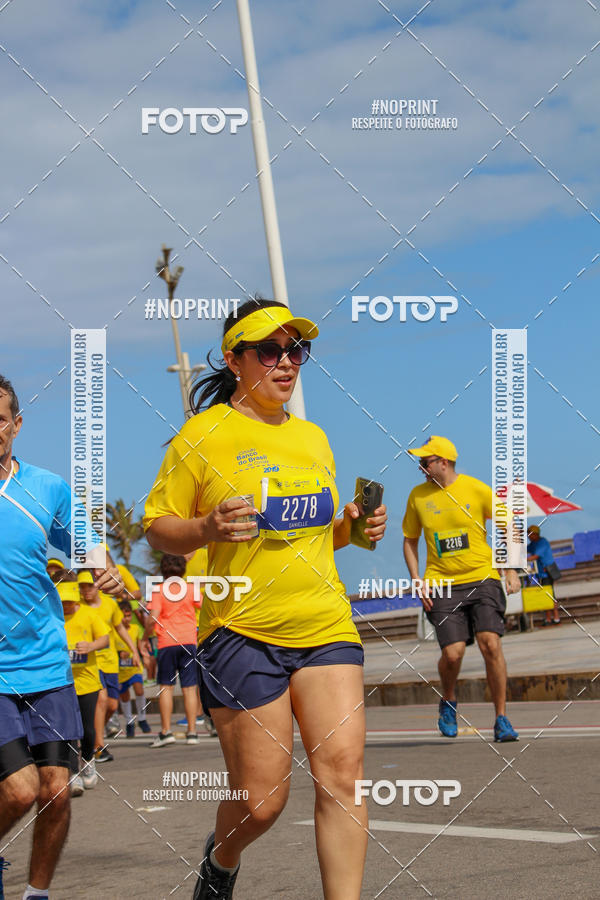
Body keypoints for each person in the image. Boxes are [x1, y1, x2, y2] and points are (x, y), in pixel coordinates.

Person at [144, 299, 387, 900]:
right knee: (261, 802)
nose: (287, 362)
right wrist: (204, 529)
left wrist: (355, 525)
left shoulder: (313, 439)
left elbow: (313, 533)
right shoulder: (202, 437)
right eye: (270, 351)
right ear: (234, 359)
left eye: (296, 350)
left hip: (326, 625)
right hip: (241, 633)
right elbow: (157, 524)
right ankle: (221, 862)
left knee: (344, 778)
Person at [0, 374, 122, 900]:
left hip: (47, 666)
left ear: (16, 425)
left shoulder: (45, 488)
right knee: (21, 790)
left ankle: (36, 895)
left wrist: (106, 568)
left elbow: (87, 540)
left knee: (56, 792)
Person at [402, 435, 521, 743]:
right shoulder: (417, 497)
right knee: (453, 654)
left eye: (425, 462)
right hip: (441, 583)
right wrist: (417, 579)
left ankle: (502, 718)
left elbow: (508, 525)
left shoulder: (475, 489)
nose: (420, 467)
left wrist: (509, 568)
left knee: (489, 644)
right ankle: (449, 701)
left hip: (483, 577)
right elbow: (410, 540)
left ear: (443, 462)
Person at [76, 570, 140, 761]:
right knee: (101, 701)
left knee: (112, 705)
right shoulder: (77, 606)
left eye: (89, 585)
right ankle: (98, 746)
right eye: (82, 586)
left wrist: (135, 651)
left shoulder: (110, 604)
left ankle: (91, 735)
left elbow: (120, 628)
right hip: (90, 664)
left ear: (97, 585)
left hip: (111, 662)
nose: (86, 589)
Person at [55, 574, 110, 795]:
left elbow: (105, 638)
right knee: (68, 730)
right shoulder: (54, 616)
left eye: (69, 601)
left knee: (88, 730)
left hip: (87, 681)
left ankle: (88, 761)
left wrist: (91, 646)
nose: (66, 605)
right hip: (62, 681)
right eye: (63, 601)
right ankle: (73, 774)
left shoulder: (89, 614)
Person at [144, 554, 201, 747]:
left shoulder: (159, 590)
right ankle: (192, 732)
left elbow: (152, 619)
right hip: (189, 641)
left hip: (167, 642)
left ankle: (166, 731)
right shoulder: (190, 589)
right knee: (190, 687)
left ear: (162, 569)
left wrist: (145, 637)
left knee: (166, 687)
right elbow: (206, 606)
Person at [116, 600, 151, 737]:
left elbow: (140, 645)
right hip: (120, 670)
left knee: (139, 689)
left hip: (134, 667)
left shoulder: (135, 629)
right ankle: (129, 721)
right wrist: (119, 654)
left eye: (129, 615)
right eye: (124, 616)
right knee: (124, 697)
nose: (127, 619)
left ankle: (142, 719)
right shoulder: (114, 631)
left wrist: (145, 656)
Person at [527, 524, 560, 625]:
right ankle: (549, 618)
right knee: (545, 595)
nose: (528, 536)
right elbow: (525, 550)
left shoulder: (542, 542)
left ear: (535, 534)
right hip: (540, 574)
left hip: (547, 573)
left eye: (530, 534)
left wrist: (521, 560)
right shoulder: (533, 544)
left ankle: (555, 618)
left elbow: (535, 556)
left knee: (550, 595)